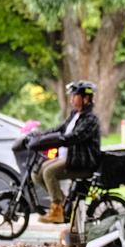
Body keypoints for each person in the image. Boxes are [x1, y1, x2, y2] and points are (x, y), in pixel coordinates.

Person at [31, 80, 101, 224]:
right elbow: (59, 129)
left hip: (82, 163)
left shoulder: (91, 119)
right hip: (69, 159)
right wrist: (41, 135)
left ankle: (57, 210)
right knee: (37, 173)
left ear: (86, 99)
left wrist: (57, 140)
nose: (71, 99)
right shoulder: (75, 115)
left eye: (75, 96)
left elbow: (76, 137)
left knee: (49, 172)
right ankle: (63, 203)